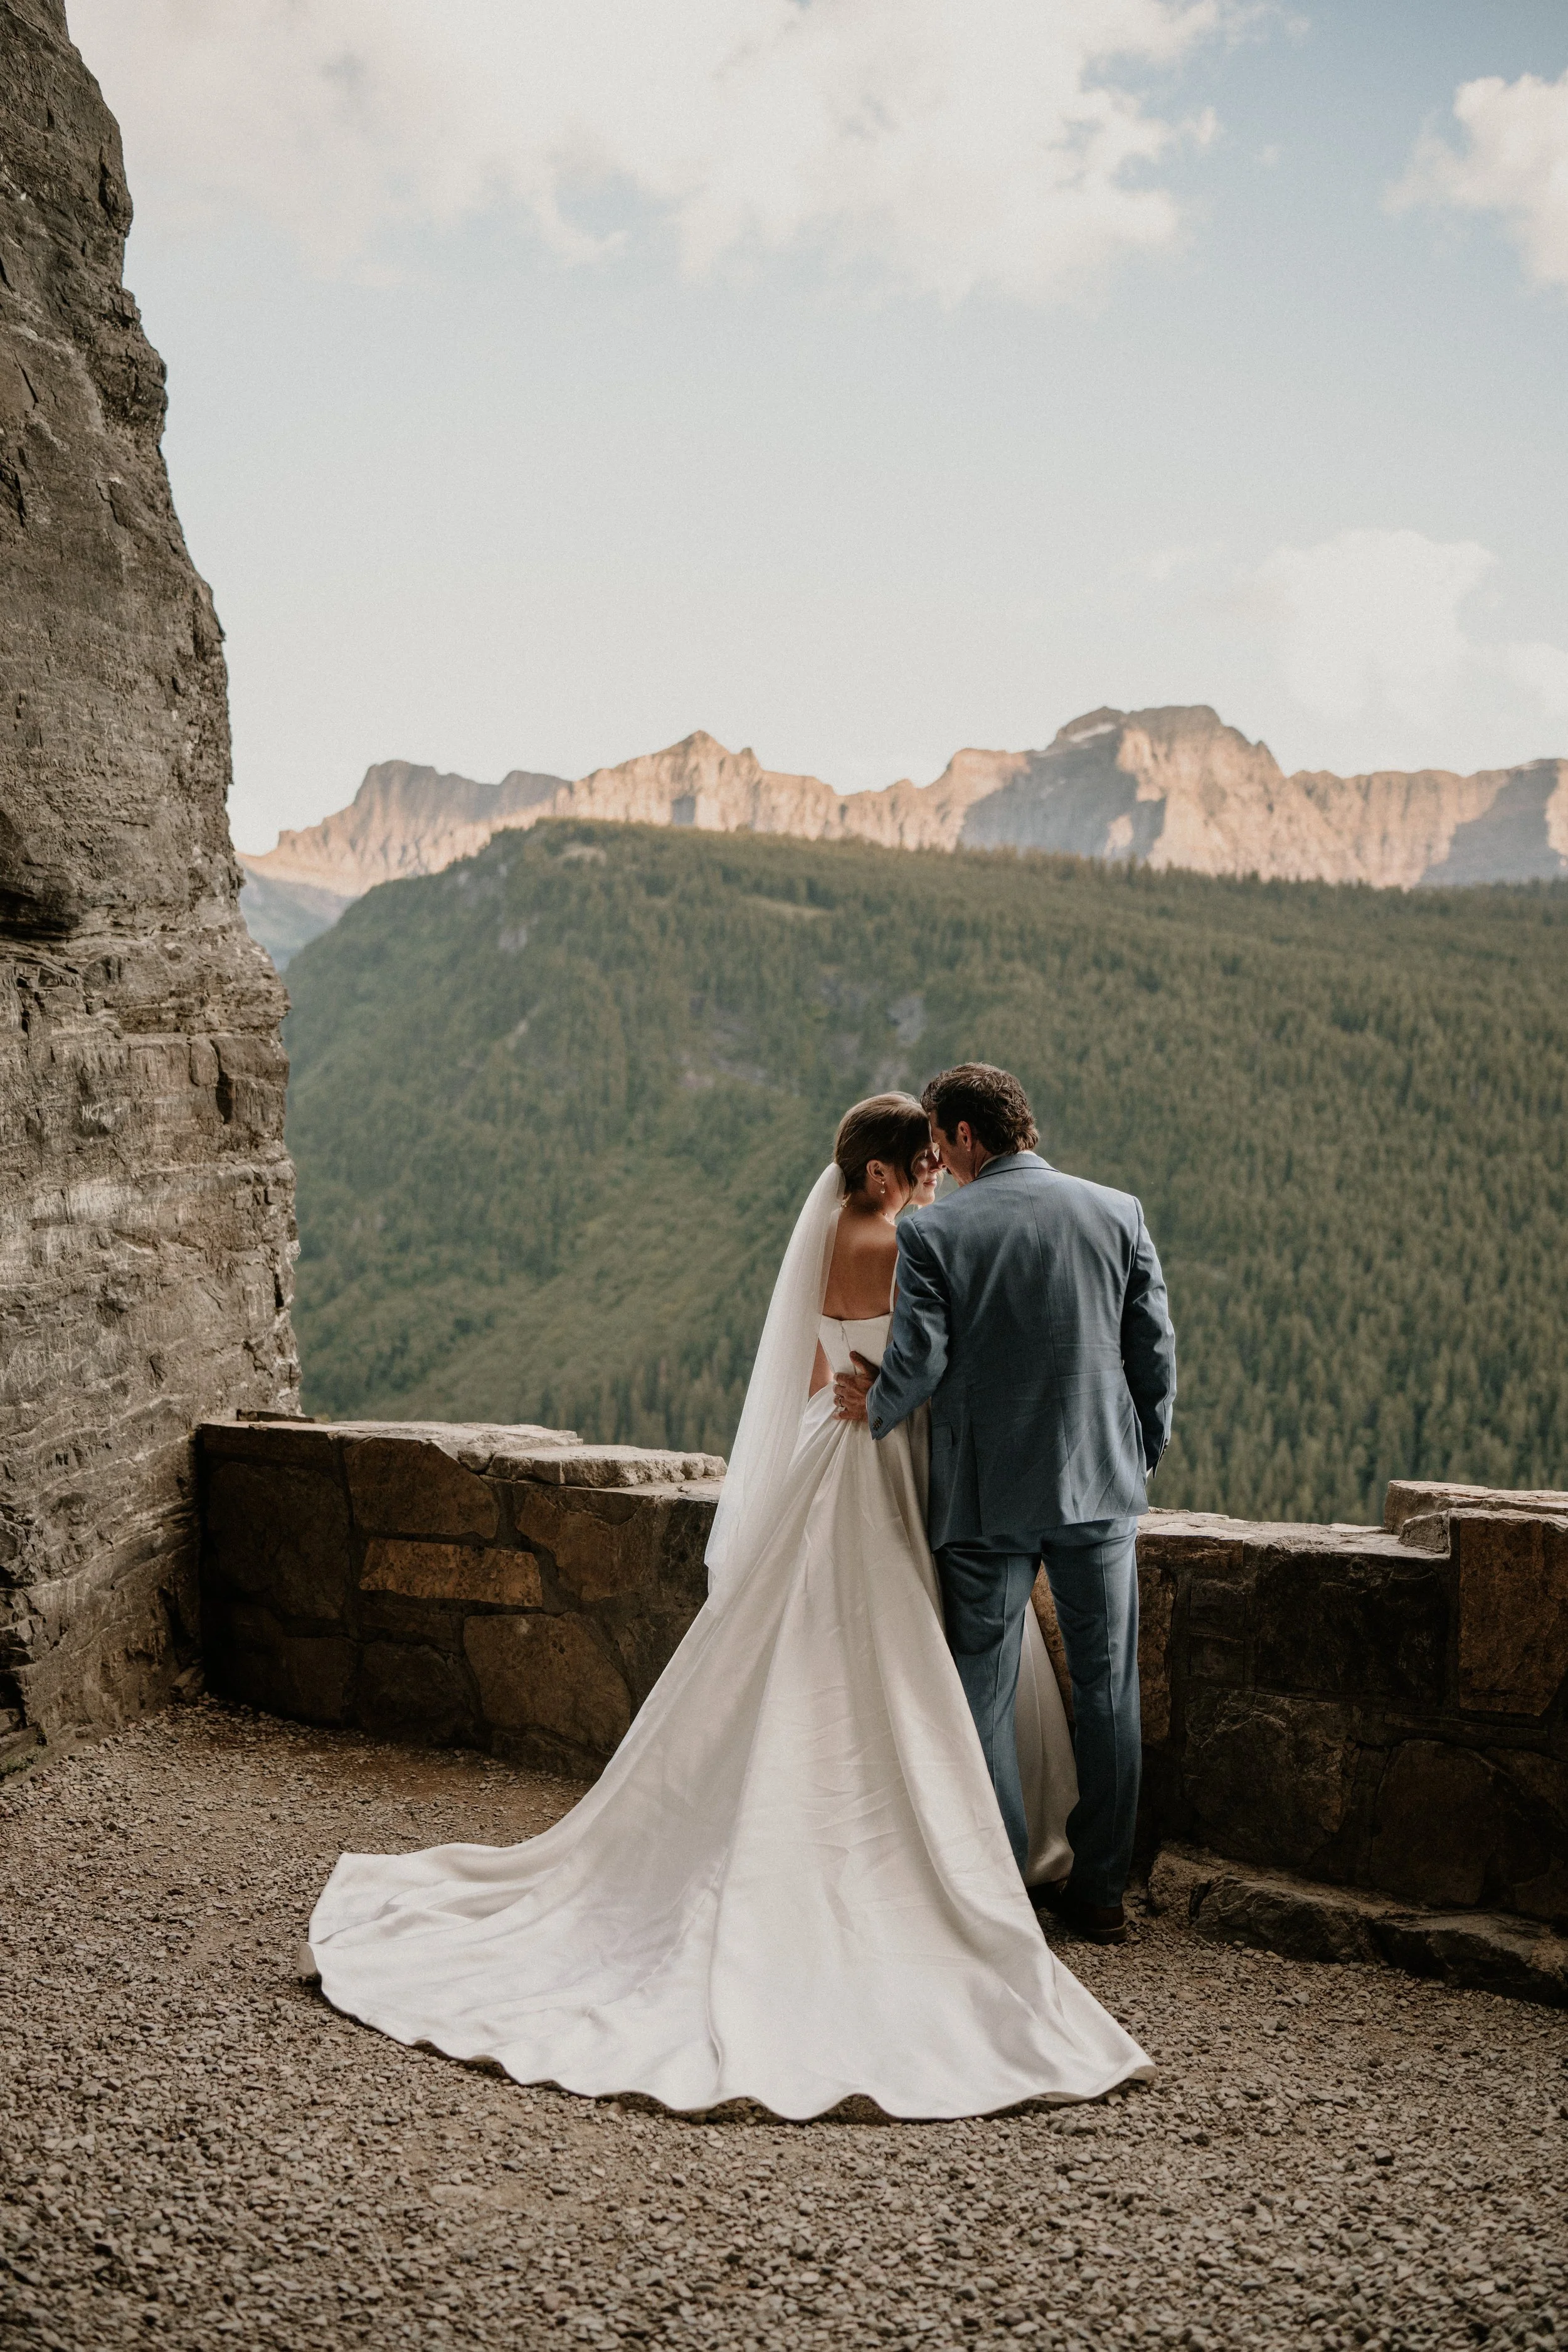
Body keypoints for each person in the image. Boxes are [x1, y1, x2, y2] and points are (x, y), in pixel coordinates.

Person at [308, 1092, 1152, 2120]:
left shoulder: (867, 1229)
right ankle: (1065, 1876)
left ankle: (999, 1870)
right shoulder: (1014, 1222)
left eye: (940, 1153)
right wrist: (1102, 1439)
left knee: (934, 1668)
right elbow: (949, 1359)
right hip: (989, 1468)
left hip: (848, 1450)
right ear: (884, 1172)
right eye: (918, 1161)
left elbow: (831, 1362)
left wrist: (848, 1406)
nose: (933, 1172)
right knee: (999, 1672)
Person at [834, 1065, 1177, 1947]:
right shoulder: (1118, 1210)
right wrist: (1138, 1449)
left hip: (987, 1496)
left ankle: (1002, 1891)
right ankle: (1100, 1890)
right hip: (1098, 1486)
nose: (937, 1158)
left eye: (941, 1141)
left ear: (965, 1135)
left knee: (979, 1692)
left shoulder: (937, 1231)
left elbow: (919, 1361)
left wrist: (870, 1403)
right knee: (1107, 1692)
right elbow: (1154, 1352)